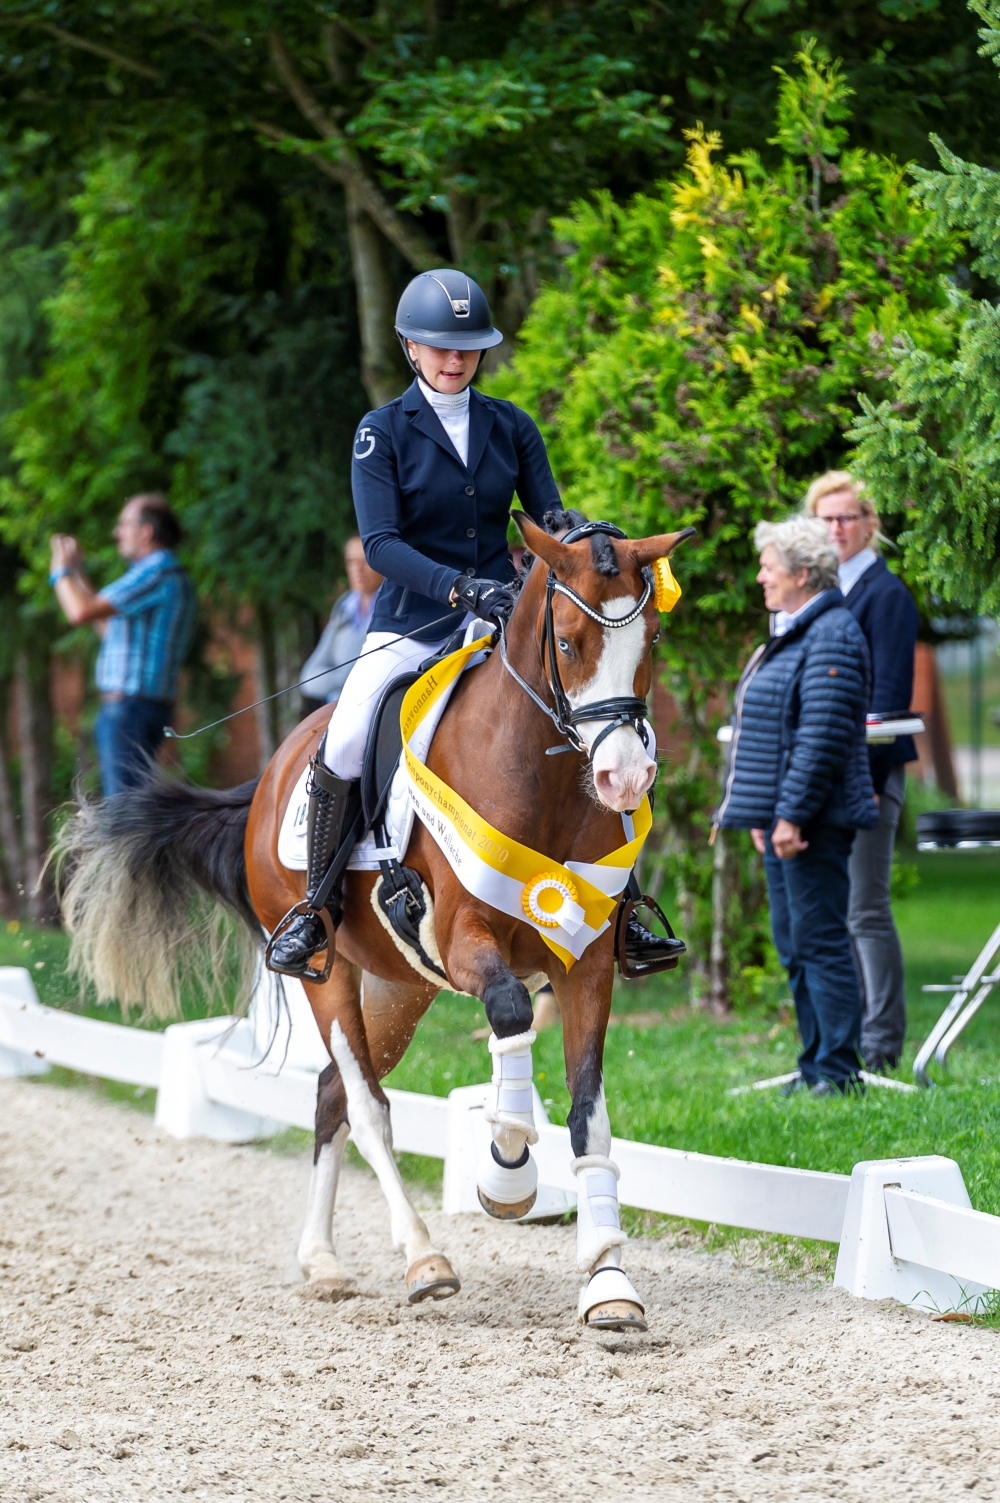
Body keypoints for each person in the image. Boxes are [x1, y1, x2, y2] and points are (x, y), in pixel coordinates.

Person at [268, 267, 683, 979]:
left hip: (502, 623)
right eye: (439, 346)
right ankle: (316, 906)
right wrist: (460, 587)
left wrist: (583, 538)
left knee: (599, 726)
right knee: (347, 734)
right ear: (410, 347)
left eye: (467, 348)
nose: (454, 359)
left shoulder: (510, 425)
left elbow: (550, 515)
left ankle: (624, 909)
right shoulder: (380, 433)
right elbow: (381, 545)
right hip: (413, 623)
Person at [715, 516, 878, 1095]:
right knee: (793, 943)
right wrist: (765, 814)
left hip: (814, 822)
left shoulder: (831, 634)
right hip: (783, 820)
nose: (761, 576)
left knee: (820, 941)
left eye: (770, 567)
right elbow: (775, 732)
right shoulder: (797, 629)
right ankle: (813, 1066)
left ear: (803, 574)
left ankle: (838, 1071)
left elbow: (821, 737)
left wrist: (791, 816)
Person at [804, 471, 919, 1072]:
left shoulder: (886, 594)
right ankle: (844, 1040)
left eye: (848, 517)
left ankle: (882, 1045)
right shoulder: (820, 592)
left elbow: (888, 703)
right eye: (826, 519)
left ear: (870, 524)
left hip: (869, 776)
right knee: (835, 911)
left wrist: (857, 786)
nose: (837, 528)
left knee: (865, 911)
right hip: (828, 776)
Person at [49, 495, 196, 796]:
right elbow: (109, 628)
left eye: (124, 524)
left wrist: (60, 571)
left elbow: (79, 612)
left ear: (146, 532)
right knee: (132, 805)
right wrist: (77, 573)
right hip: (141, 707)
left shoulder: (155, 571)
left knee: (124, 810)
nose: (117, 533)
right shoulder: (167, 574)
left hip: (130, 709)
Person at [300, 537, 384, 716]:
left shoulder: (394, 608)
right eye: (351, 562)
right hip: (337, 712)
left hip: (377, 711)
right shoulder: (344, 609)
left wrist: (335, 678)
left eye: (365, 561)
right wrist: (344, 677)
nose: (357, 569)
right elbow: (308, 678)